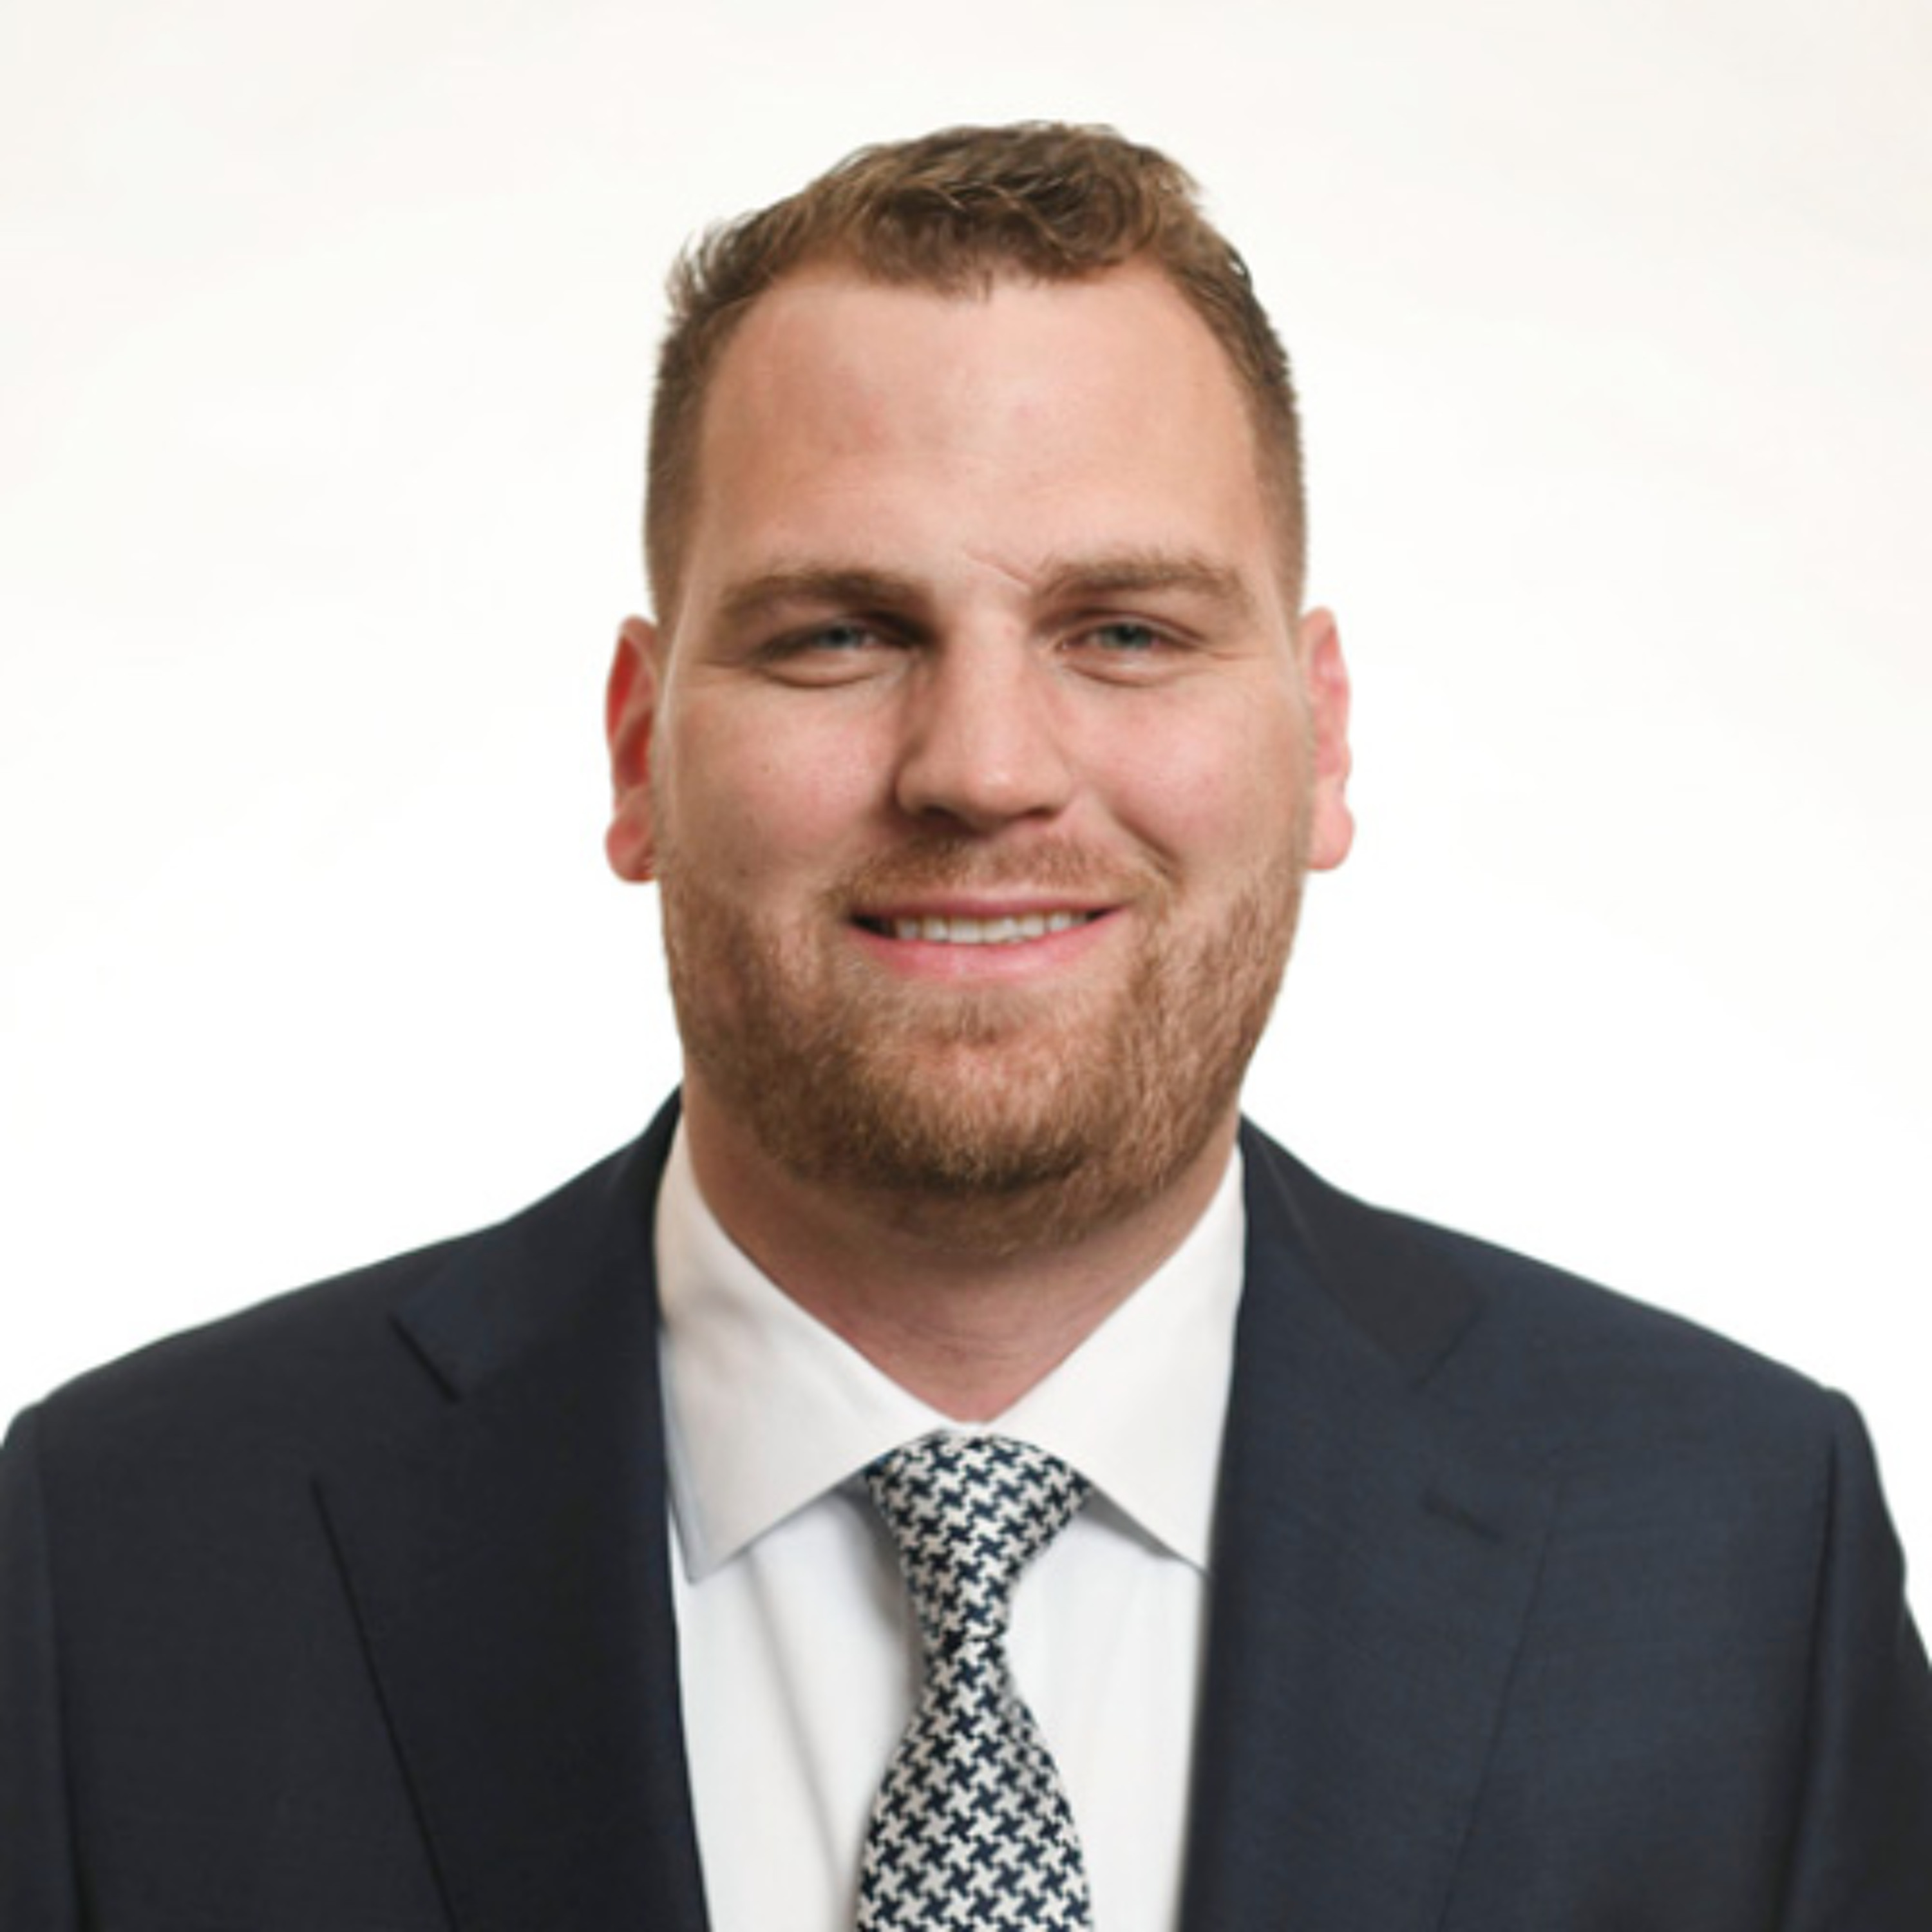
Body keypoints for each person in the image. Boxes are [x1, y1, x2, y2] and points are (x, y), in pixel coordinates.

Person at [3, 121, 1928, 1932]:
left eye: (1127, 631)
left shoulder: (1740, 1552)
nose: (985, 769)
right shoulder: (118, 1567)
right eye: (841, 634)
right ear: (641, 751)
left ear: (1322, 739)